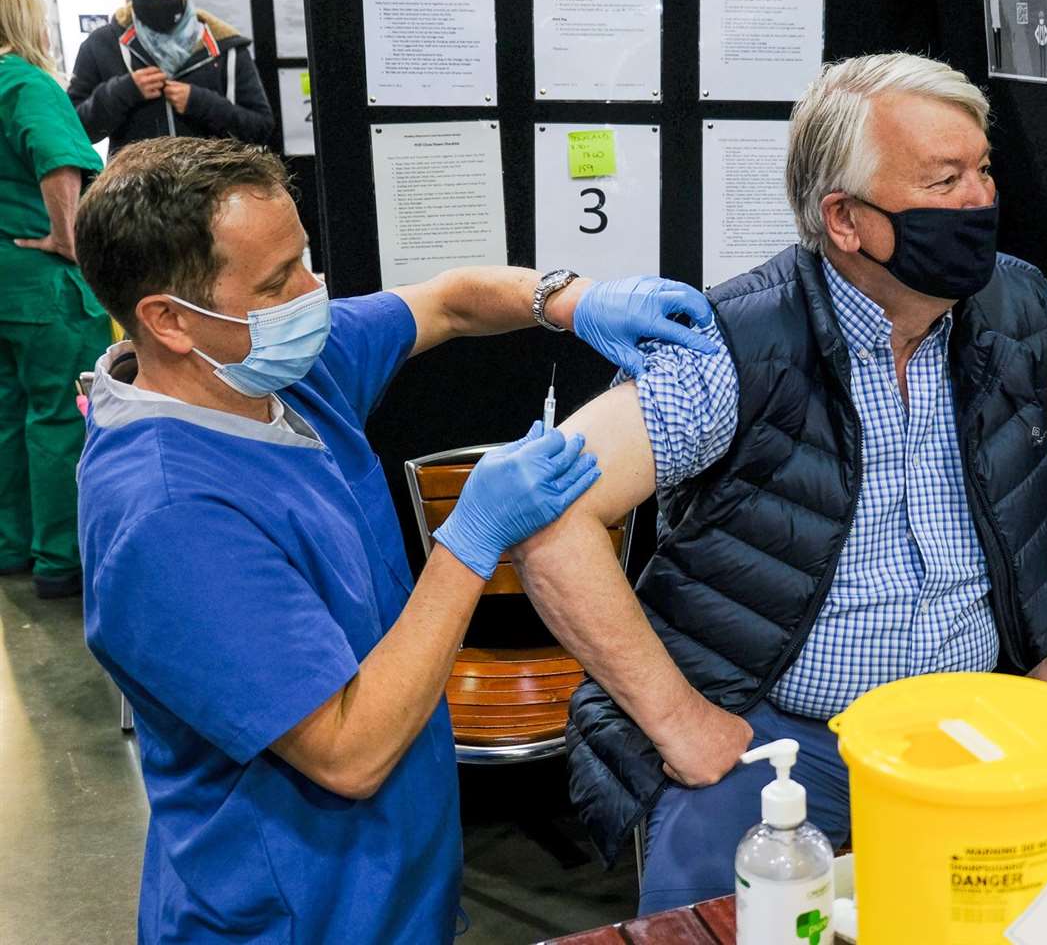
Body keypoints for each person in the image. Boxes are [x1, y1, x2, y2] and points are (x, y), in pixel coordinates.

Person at [515, 54, 1047, 943]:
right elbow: (547, 516)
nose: (978, 200)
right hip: (780, 728)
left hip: (969, 725)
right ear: (844, 219)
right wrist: (676, 718)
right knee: (700, 929)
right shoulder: (732, 343)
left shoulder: (1015, 312)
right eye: (943, 180)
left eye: (983, 171)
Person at [73, 135, 719, 943]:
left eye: (303, 260)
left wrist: (571, 299)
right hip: (293, 913)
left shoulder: (277, 373)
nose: (314, 293)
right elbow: (349, 751)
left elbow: (447, 300)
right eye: (279, 281)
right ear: (168, 321)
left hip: (397, 879)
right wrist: (470, 539)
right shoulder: (169, 519)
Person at [0, 0, 108, 598]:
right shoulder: (25, 81)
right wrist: (67, 239)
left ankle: (11, 545)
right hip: (41, 282)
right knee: (58, 415)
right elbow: (57, 156)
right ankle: (59, 559)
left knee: (7, 415)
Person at [68, 0, 273, 157]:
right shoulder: (102, 45)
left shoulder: (224, 47)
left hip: (211, 188)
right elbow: (73, 129)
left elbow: (260, 128)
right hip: (135, 189)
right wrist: (121, 92)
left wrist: (200, 103)